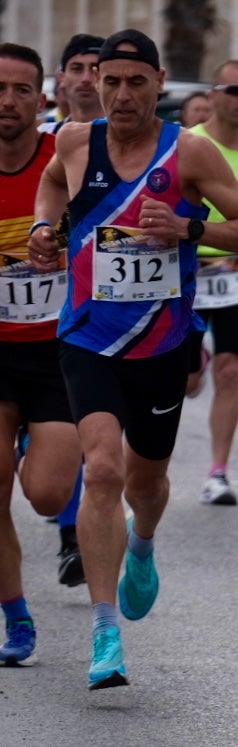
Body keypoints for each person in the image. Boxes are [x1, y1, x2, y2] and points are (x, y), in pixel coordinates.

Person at [28, 28, 238, 689]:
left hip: (162, 343)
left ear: (161, 84)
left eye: (137, 81)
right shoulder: (75, 142)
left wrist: (191, 228)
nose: (123, 93)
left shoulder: (189, 151)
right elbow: (50, 185)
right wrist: (45, 227)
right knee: (102, 469)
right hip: (87, 337)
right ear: (95, 85)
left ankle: (142, 544)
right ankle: (105, 633)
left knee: (145, 483)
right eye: (112, 81)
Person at [0, 43, 84, 665]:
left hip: (56, 352)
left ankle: (35, 443)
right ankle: (16, 617)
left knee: (50, 497)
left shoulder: (68, 161)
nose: (7, 101)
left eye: (21, 90)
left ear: (42, 98)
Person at [33, 33, 105, 585]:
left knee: (87, 435)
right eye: (75, 67)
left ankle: (72, 536)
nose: (85, 78)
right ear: (61, 80)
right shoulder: (36, 146)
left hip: (89, 318)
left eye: (94, 68)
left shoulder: (131, 149)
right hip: (23, 314)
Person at [185, 60, 238, 506]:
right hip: (187, 272)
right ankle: (193, 355)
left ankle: (218, 471)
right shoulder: (188, 144)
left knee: (230, 371)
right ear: (213, 94)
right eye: (234, 90)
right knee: (187, 379)